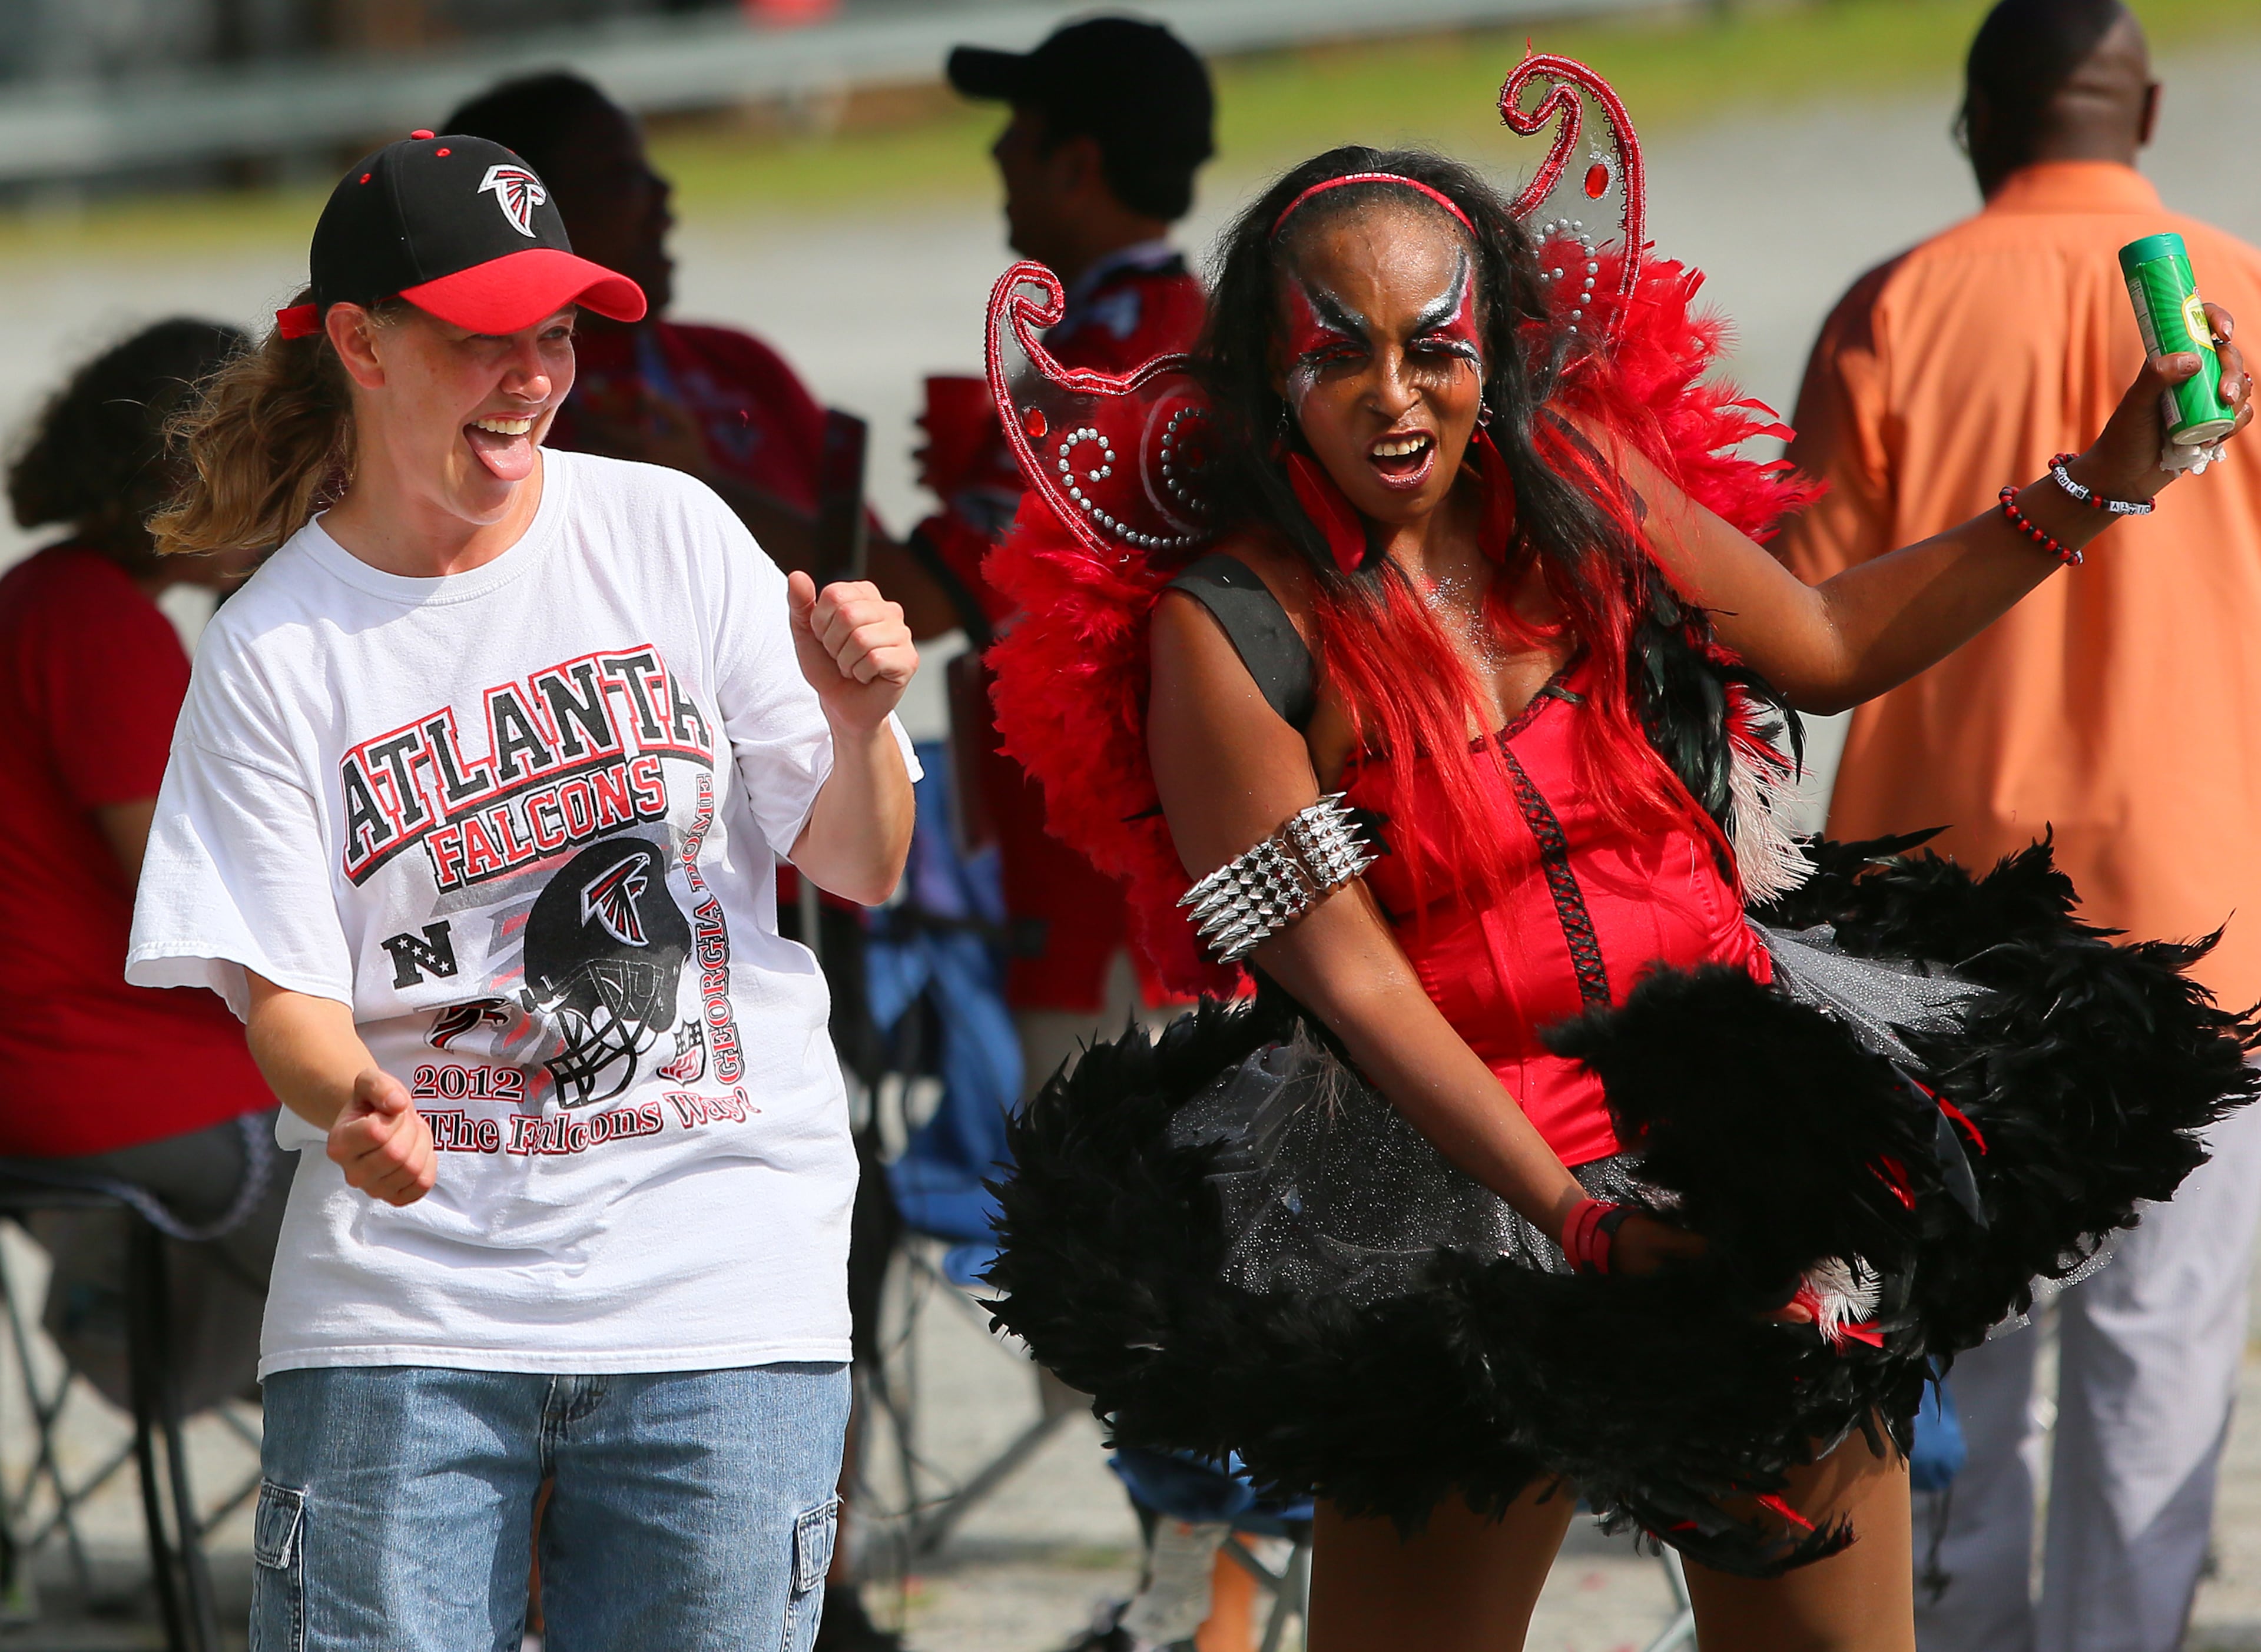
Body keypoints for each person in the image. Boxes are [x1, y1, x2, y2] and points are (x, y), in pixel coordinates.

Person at [966, 48, 2257, 1651]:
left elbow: (1828, 641)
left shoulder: (1574, 483)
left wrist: (2102, 479)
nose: (1395, 394)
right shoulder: (1230, 630)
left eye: (1436, 349)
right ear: (1264, 376)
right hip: (1441, 1201)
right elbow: (1357, 984)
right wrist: (1571, 1214)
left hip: (1735, 1147)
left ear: (1494, 350)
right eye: (1338, 354)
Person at [126, 131, 917, 1650]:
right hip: (406, 1315)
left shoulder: (670, 533)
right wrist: (351, 1094)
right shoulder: (274, 648)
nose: (533, 375)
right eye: (484, 335)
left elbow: (861, 859)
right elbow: (282, 991)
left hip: (719, 1278)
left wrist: (860, 717)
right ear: (358, 341)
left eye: (552, 334)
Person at [1773, 5, 2261, 1649]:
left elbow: (1799, 620)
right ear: (2151, 108)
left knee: (1954, 1343)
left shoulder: (1899, 305)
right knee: (2160, 1356)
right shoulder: (2239, 295)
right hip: (2211, 896)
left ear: (1977, 121)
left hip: (1940, 918)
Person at [0, 317, 293, 1418]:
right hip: (95, 1075)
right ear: (181, 471)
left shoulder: (47, 599)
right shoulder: (97, 626)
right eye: (267, 465)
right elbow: (186, 900)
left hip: (54, 1061)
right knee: (431, 1181)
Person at [931, 16, 1215, 1091]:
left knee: (1107, 1240)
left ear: (1076, 162)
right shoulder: (1209, 321)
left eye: (1018, 128)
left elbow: (927, 592)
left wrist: (673, 474)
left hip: (1109, 907)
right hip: (1205, 883)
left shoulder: (1080, 370)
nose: (998, 153)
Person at [442, 70, 950, 628]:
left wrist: (696, 488)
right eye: (620, 178)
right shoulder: (483, 408)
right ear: (530, 214)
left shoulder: (739, 365)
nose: (663, 195)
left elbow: (894, 605)